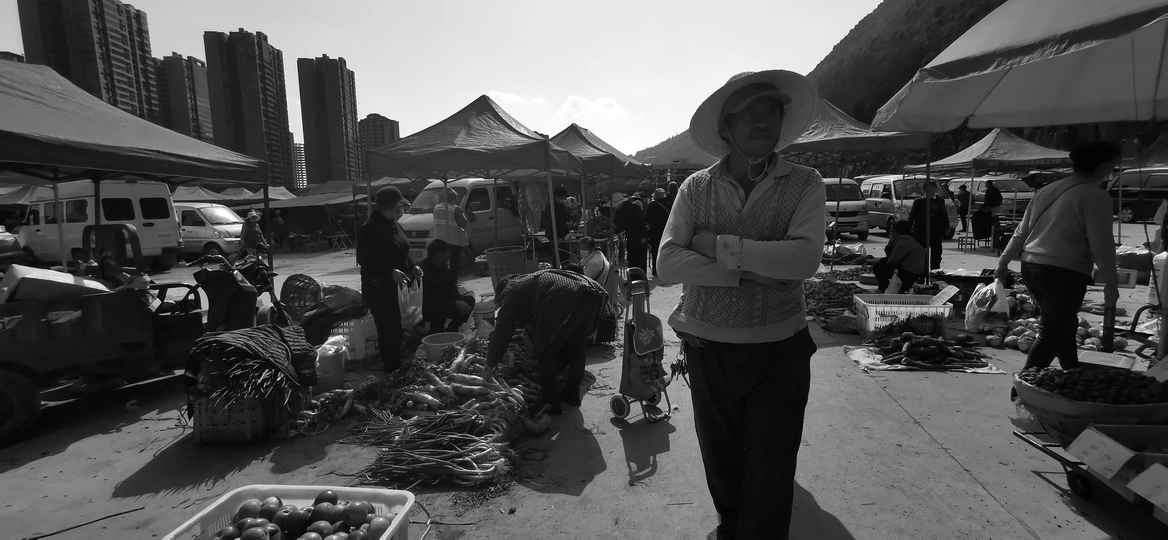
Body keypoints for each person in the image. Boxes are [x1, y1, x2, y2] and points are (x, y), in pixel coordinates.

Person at [656, 70, 824, 540]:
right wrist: (749, 269)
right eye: (749, 112)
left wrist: (715, 246)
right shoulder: (695, 188)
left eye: (771, 110)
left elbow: (804, 259)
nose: (762, 120)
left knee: (772, 469)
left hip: (781, 348)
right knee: (723, 462)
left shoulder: (805, 183)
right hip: (708, 347)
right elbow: (667, 263)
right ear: (725, 127)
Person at [997, 141, 1121, 387]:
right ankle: (1023, 387)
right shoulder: (1096, 196)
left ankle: (1072, 372)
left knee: (1065, 323)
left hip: (1032, 267)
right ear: (1106, 167)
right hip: (1064, 273)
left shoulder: (1047, 190)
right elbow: (1101, 245)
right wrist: (1111, 283)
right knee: (1051, 332)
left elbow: (1020, 232)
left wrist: (1003, 262)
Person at [480, 269, 607, 415]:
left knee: (544, 352)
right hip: (592, 292)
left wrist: (489, 366)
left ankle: (551, 404)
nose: (500, 304)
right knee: (577, 346)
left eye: (498, 301)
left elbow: (502, 331)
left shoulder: (510, 290)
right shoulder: (528, 283)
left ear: (500, 293)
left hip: (569, 294)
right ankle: (572, 393)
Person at [357, 187, 423, 375]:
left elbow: (404, 252)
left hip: (398, 289)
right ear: (388, 206)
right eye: (399, 207)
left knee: (398, 329)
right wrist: (389, 272)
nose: (402, 210)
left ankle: (397, 365)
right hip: (380, 291)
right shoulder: (369, 228)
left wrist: (413, 266)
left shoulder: (395, 225)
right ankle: (391, 372)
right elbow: (365, 260)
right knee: (388, 332)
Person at [420, 239, 475, 333]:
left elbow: (451, 288)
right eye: (447, 252)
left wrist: (460, 300)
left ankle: (453, 329)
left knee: (469, 301)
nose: (449, 255)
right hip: (429, 306)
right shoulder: (424, 270)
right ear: (439, 254)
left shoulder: (443, 268)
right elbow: (430, 296)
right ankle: (435, 331)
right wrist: (453, 302)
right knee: (441, 307)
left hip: (447, 301)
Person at [874, 221, 927, 293]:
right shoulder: (908, 238)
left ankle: (884, 289)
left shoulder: (904, 240)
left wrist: (890, 243)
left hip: (910, 273)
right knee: (883, 261)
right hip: (914, 271)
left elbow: (892, 260)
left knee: (878, 268)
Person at [906, 182, 948, 270]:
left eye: (933, 188)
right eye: (929, 188)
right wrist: (908, 228)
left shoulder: (940, 201)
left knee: (936, 252)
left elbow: (944, 214)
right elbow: (912, 216)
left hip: (936, 230)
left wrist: (946, 226)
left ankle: (934, 270)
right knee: (921, 252)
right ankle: (922, 270)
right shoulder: (918, 201)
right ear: (924, 190)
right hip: (921, 230)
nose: (931, 190)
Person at [433, 188, 473, 278]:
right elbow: (463, 223)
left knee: (442, 262)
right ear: (452, 198)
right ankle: (453, 281)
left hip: (439, 240)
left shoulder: (436, 208)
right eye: (455, 198)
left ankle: (443, 279)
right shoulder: (455, 209)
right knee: (454, 262)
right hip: (452, 240)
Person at [614, 190, 648, 272]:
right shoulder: (623, 210)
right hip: (631, 237)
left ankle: (638, 276)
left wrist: (643, 237)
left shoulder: (633, 208)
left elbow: (641, 223)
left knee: (638, 260)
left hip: (639, 237)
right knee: (633, 259)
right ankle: (634, 276)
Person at [541, 186, 572, 264]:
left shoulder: (560, 205)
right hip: (554, 235)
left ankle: (565, 267)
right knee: (558, 256)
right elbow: (552, 222)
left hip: (562, 234)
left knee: (565, 255)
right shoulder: (550, 206)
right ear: (556, 197)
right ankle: (557, 269)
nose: (564, 200)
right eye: (563, 198)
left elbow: (564, 218)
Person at [645, 188, 670, 277]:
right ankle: (665, 268)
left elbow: (647, 219)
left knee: (655, 250)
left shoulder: (651, 206)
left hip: (655, 231)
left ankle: (655, 268)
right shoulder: (669, 205)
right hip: (666, 231)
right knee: (666, 249)